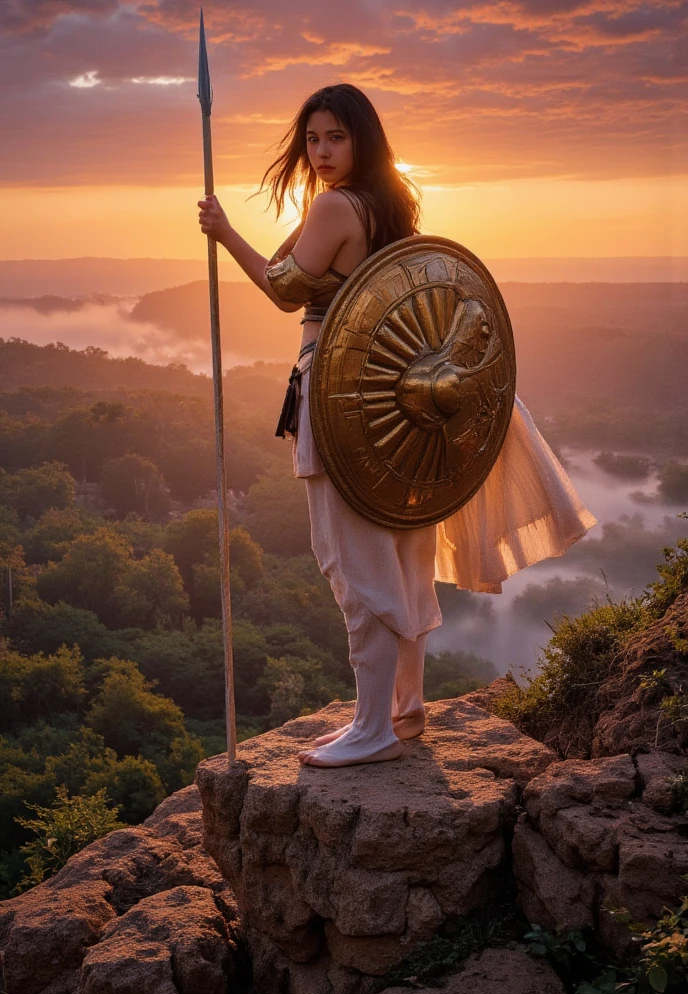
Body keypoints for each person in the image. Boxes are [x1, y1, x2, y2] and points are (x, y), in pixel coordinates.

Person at [198, 83, 597, 770]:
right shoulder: (390, 203)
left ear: (361, 141)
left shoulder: (332, 206)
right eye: (313, 139)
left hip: (347, 400)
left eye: (334, 138)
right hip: (402, 410)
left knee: (356, 566)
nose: (321, 152)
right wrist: (302, 214)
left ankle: (370, 729)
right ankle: (403, 709)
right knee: (406, 558)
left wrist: (222, 229)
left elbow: (281, 287)